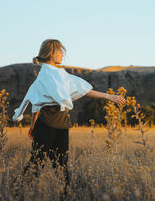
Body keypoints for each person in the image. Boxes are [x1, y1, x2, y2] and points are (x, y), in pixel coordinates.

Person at [12, 39, 125, 198]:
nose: (62, 55)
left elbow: (80, 87)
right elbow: (37, 103)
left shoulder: (59, 73)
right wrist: (33, 126)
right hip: (46, 124)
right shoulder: (47, 74)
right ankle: (16, 192)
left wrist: (108, 96)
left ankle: (65, 195)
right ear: (51, 53)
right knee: (38, 162)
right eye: (59, 51)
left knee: (61, 164)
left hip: (61, 122)